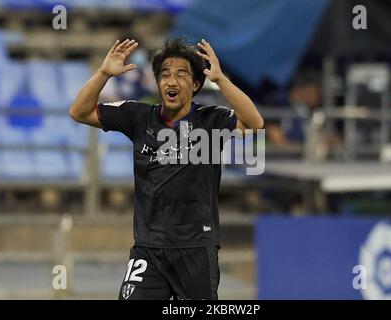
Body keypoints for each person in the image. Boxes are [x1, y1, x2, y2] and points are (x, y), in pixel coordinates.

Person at [69, 37, 264, 300]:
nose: (171, 81)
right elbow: (79, 112)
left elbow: (254, 123)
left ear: (195, 84)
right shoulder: (138, 117)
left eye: (181, 74)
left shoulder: (211, 120)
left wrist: (221, 80)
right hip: (148, 250)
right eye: (165, 75)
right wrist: (104, 73)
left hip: (196, 248)